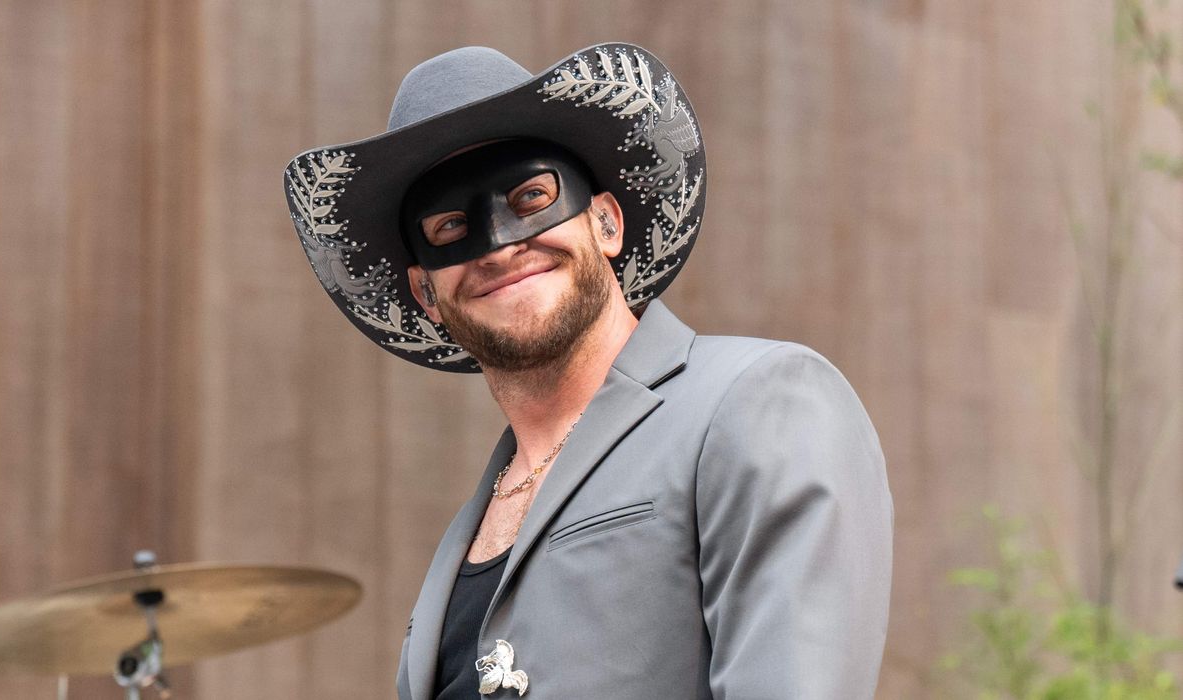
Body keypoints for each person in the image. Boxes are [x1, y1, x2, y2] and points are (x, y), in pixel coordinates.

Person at [283, 43, 893, 700]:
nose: (500, 244)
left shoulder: (758, 399)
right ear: (426, 294)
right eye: (451, 226)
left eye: (531, 196)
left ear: (604, 222)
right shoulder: (466, 535)